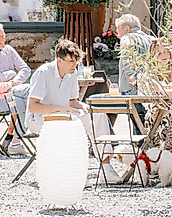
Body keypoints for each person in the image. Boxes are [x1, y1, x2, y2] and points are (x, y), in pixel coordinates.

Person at [27, 39, 119, 183]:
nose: (74, 65)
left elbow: (72, 101)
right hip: (41, 118)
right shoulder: (43, 73)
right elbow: (32, 106)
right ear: (59, 60)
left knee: (98, 115)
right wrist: (59, 108)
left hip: (65, 114)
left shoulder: (73, 73)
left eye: (76, 61)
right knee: (71, 121)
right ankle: (72, 173)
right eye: (71, 61)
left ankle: (106, 167)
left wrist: (82, 106)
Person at [114, 14, 155, 95]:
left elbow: (129, 69)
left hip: (131, 92)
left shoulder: (127, 38)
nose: (118, 36)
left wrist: (135, 83)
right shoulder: (152, 39)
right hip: (150, 90)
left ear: (127, 29)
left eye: (118, 32)